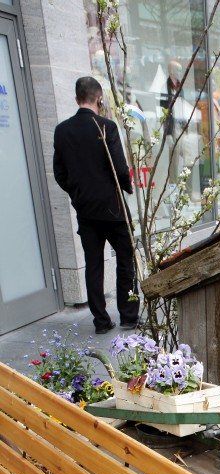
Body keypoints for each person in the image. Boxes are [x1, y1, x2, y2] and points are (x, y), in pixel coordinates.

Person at [53, 76, 139, 334]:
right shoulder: (106, 127)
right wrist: (127, 187)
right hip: (113, 209)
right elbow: (120, 169)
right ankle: (128, 316)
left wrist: (77, 193)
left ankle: (101, 321)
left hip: (85, 210)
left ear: (76, 98)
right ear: (99, 99)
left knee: (93, 265)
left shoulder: (62, 131)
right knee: (126, 261)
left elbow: (59, 173)